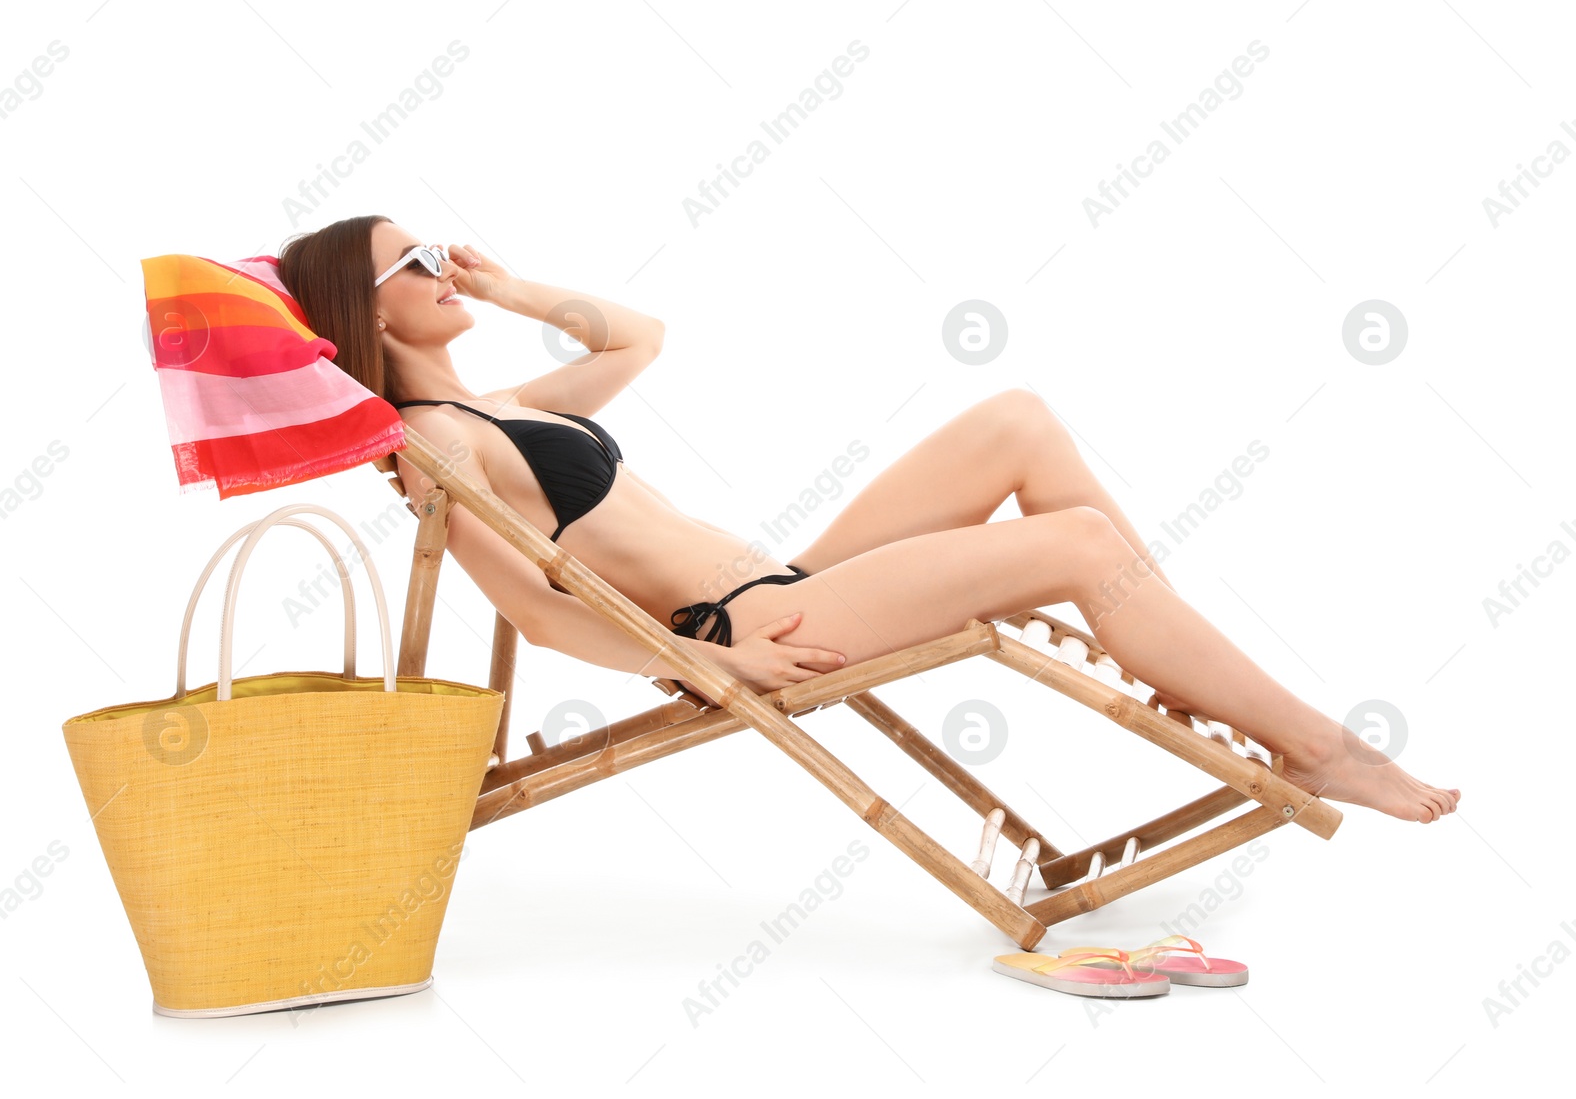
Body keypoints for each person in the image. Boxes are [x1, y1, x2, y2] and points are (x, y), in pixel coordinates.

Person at [278, 215, 1459, 823]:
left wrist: (504, 286)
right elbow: (532, 611)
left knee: (1016, 417)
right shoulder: (432, 441)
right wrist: (704, 655)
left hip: (782, 575)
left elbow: (635, 338)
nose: (442, 266)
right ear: (360, 308)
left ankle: (1165, 644)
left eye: (440, 252)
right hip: (747, 625)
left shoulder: (484, 403)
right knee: (1084, 548)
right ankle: (1318, 746)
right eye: (416, 263)